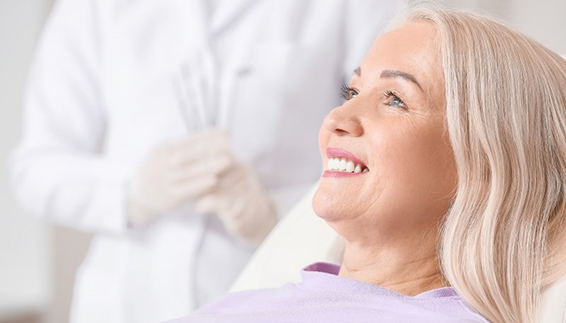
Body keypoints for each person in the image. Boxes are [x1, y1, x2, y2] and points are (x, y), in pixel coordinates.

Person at [9, 0, 404, 322]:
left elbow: (395, 149)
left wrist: (276, 214)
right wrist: (131, 191)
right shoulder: (92, 9)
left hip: (271, 282)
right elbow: (34, 169)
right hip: (125, 299)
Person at [168, 6, 566, 323]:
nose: (335, 118)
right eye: (352, 90)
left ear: (482, 163)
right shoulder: (247, 304)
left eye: (395, 98)